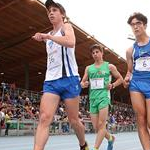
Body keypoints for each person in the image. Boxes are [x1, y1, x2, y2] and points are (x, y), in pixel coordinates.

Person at [32, 1, 88, 150]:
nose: (50, 12)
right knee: (44, 118)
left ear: (62, 14)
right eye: (48, 11)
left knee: (74, 120)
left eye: (54, 10)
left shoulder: (66, 27)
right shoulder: (48, 35)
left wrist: (48, 37)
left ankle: (83, 144)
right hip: (51, 81)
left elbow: (70, 42)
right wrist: (44, 36)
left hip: (69, 79)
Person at [80, 44, 123, 150]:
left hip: (104, 97)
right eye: (93, 53)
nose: (95, 54)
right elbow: (82, 82)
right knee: (96, 128)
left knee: (101, 124)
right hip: (93, 99)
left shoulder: (109, 66)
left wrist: (112, 85)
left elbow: (120, 79)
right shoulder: (88, 68)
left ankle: (95, 148)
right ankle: (110, 138)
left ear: (102, 53)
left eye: (97, 52)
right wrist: (83, 84)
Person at [123, 12, 150, 150]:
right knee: (141, 120)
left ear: (145, 25)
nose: (135, 27)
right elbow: (130, 70)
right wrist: (127, 78)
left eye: (138, 23)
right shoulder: (130, 51)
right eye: (133, 24)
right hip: (136, 84)